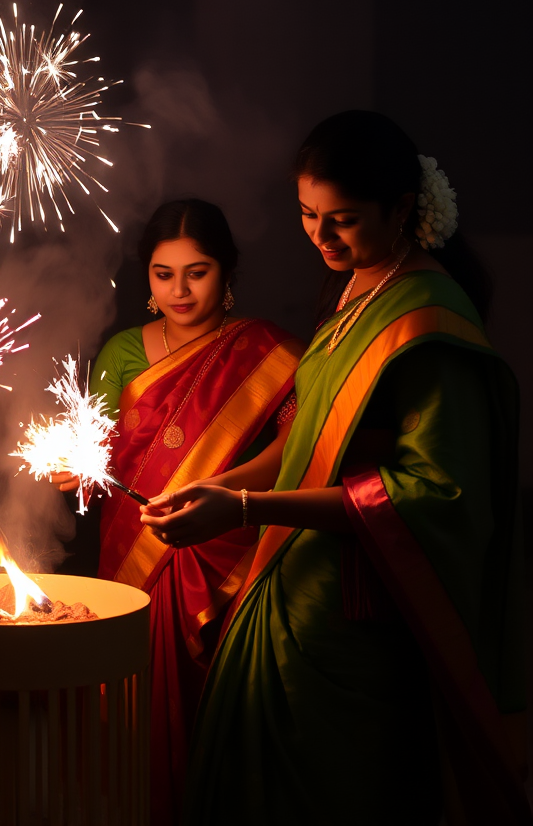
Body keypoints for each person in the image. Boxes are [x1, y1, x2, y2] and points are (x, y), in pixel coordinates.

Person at [144, 112, 529, 825]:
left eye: (342, 220)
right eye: (307, 215)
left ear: (403, 210)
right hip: (292, 579)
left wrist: (249, 513)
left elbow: (429, 494)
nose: (320, 238)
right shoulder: (357, 286)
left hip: (357, 612)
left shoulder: (428, 324)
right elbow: (303, 444)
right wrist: (221, 486)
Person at [71, 199, 303, 826]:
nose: (179, 289)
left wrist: (220, 491)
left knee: (228, 707)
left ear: (228, 274)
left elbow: (300, 448)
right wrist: (73, 469)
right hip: (136, 552)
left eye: (196, 272)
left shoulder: (268, 352)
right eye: (163, 273)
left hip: (232, 548)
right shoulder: (122, 352)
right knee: (136, 706)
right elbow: (95, 448)